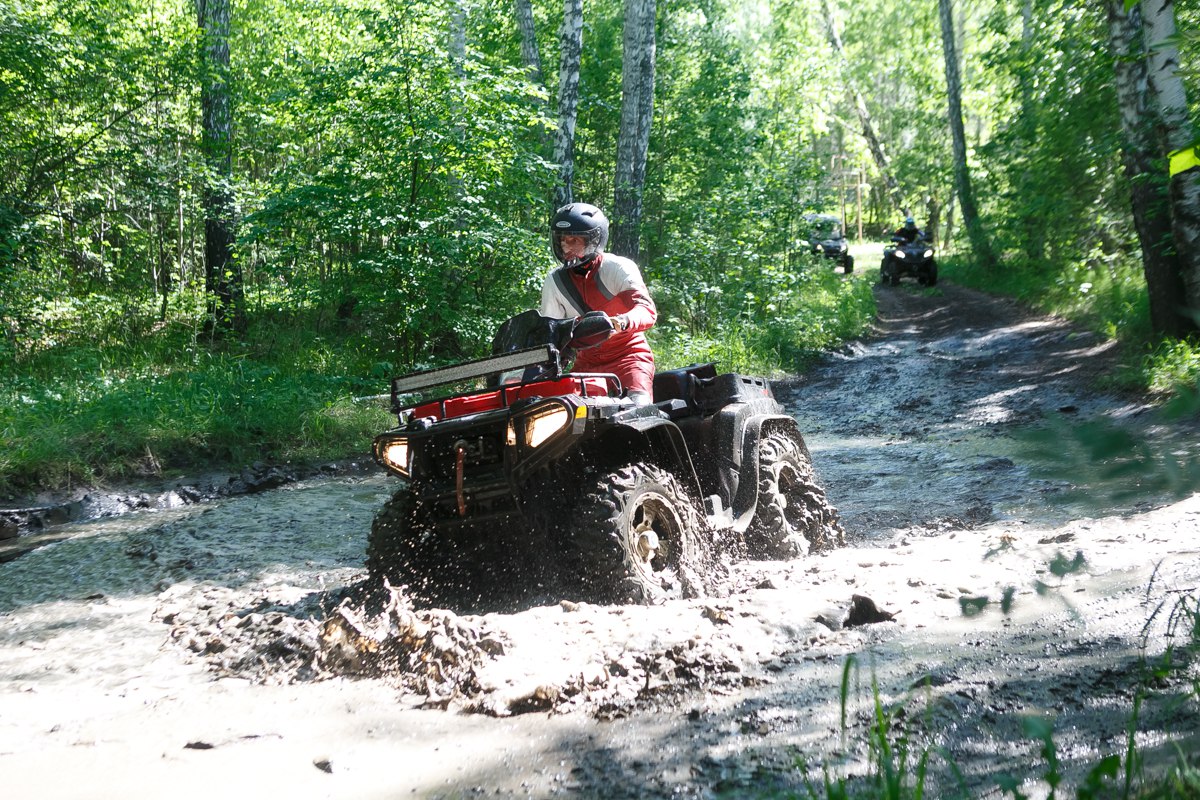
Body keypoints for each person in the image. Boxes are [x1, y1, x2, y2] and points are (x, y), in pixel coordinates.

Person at [540, 202, 657, 405]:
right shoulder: (555, 281)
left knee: (639, 408)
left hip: (628, 356)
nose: (566, 246)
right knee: (561, 414)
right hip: (586, 363)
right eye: (562, 240)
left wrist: (621, 321)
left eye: (574, 240)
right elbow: (551, 332)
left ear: (594, 240)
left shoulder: (617, 267)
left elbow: (646, 310)